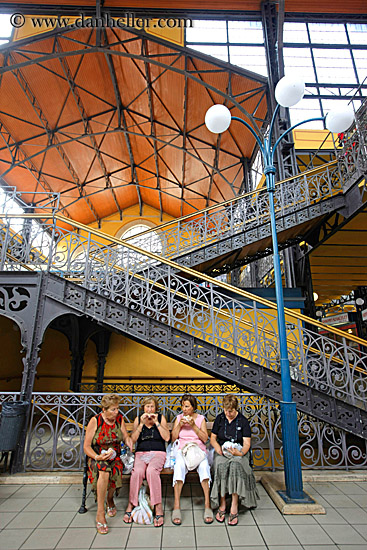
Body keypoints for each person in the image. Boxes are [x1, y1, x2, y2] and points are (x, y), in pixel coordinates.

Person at [84, 394, 132, 535]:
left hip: (114, 455)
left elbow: (124, 436)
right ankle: (100, 512)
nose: (116, 412)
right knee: (104, 470)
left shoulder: (119, 419)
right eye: (112, 409)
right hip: (98, 456)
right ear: (104, 410)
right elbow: (86, 446)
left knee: (116, 469)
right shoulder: (95, 421)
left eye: (117, 409)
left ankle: (110, 499)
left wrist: (129, 441)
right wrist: (97, 456)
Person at [210, 394, 259, 526]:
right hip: (223, 452)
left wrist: (240, 452)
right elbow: (213, 439)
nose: (228, 413)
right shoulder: (220, 419)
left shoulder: (243, 421)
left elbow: (247, 443)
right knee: (220, 465)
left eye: (230, 411)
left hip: (238, 452)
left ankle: (234, 504)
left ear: (235, 409)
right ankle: (222, 503)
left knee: (236, 466)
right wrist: (218, 449)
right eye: (226, 410)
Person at [124, 396, 170, 527]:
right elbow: (132, 440)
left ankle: (158, 507)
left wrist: (157, 423)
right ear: (143, 408)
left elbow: (167, 438)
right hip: (141, 453)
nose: (150, 409)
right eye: (147, 406)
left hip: (158, 452)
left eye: (152, 407)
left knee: (151, 471)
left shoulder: (161, 419)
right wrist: (141, 425)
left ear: (156, 409)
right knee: (137, 472)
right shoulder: (138, 420)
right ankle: (131, 504)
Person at [171, 394, 213, 525]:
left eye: (187, 406)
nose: (184, 409)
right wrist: (180, 426)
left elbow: (205, 439)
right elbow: (173, 438)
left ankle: (207, 505)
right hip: (182, 450)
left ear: (193, 407)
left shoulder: (201, 419)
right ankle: (176, 506)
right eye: (183, 406)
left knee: (204, 467)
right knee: (179, 467)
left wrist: (194, 425)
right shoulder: (179, 418)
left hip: (198, 450)